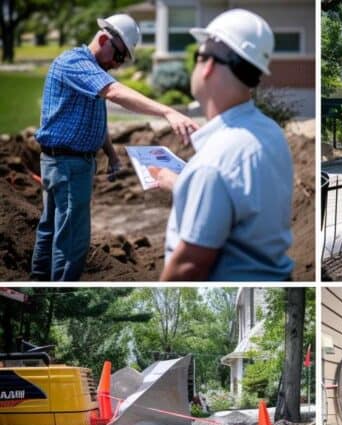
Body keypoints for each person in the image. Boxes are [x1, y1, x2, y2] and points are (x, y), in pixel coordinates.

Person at [31, 14, 199, 281]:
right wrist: (168, 112)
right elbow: (116, 93)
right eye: (119, 56)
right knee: (72, 242)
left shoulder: (92, 73)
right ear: (103, 39)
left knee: (51, 229)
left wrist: (110, 153)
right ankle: (58, 290)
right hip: (68, 166)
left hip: (62, 163)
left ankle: (37, 282)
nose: (118, 65)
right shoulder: (75, 63)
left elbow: (95, 118)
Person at [149, 9, 294, 281]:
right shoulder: (270, 133)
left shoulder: (214, 162)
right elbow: (242, 199)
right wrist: (182, 184)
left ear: (209, 66)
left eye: (198, 56)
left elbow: (189, 266)